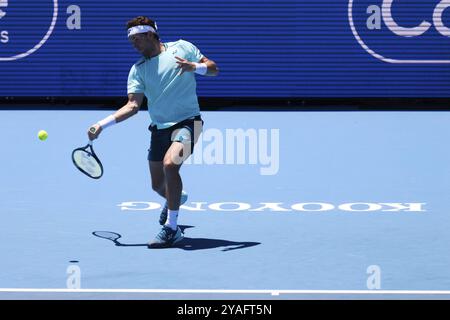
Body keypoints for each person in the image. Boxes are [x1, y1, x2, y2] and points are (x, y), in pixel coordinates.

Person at [87, 16, 219, 248]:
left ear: (150, 35)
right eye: (131, 41)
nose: (133, 44)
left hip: (190, 123)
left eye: (136, 39)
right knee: (158, 186)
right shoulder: (138, 70)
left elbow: (213, 69)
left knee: (170, 165)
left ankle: (172, 228)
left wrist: (194, 67)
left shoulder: (182, 47)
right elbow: (132, 106)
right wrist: (101, 124)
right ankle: (176, 199)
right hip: (159, 130)